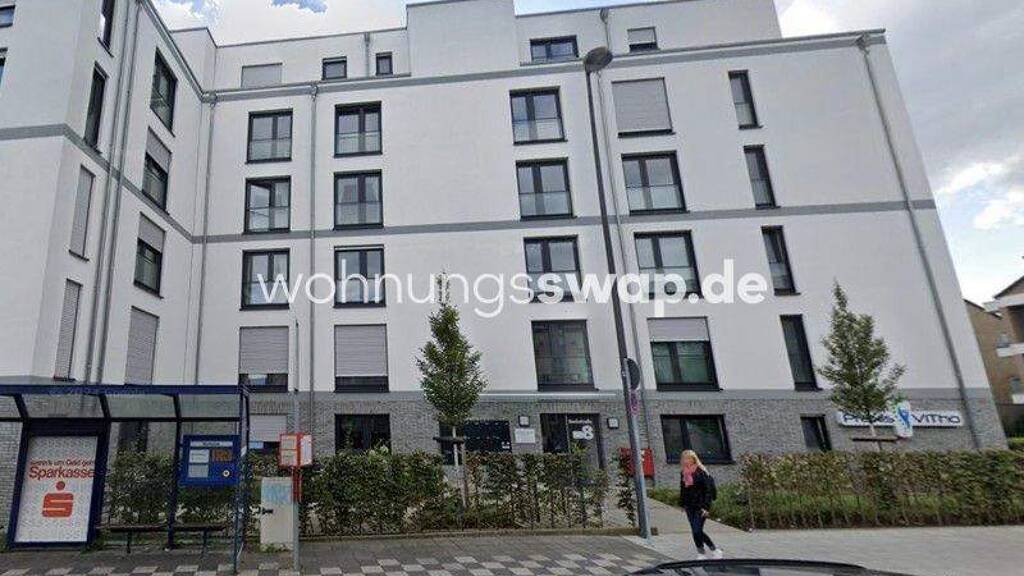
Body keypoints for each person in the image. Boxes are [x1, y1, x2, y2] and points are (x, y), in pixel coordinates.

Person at [677, 449, 723, 560]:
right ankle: (701, 553)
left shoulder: (701, 472)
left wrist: (706, 507)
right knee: (695, 531)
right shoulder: (683, 473)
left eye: (688, 458)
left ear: (694, 459)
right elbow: (683, 490)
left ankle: (715, 550)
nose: (686, 460)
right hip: (689, 506)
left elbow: (708, 491)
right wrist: (682, 504)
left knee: (697, 530)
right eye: (684, 458)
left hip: (700, 506)